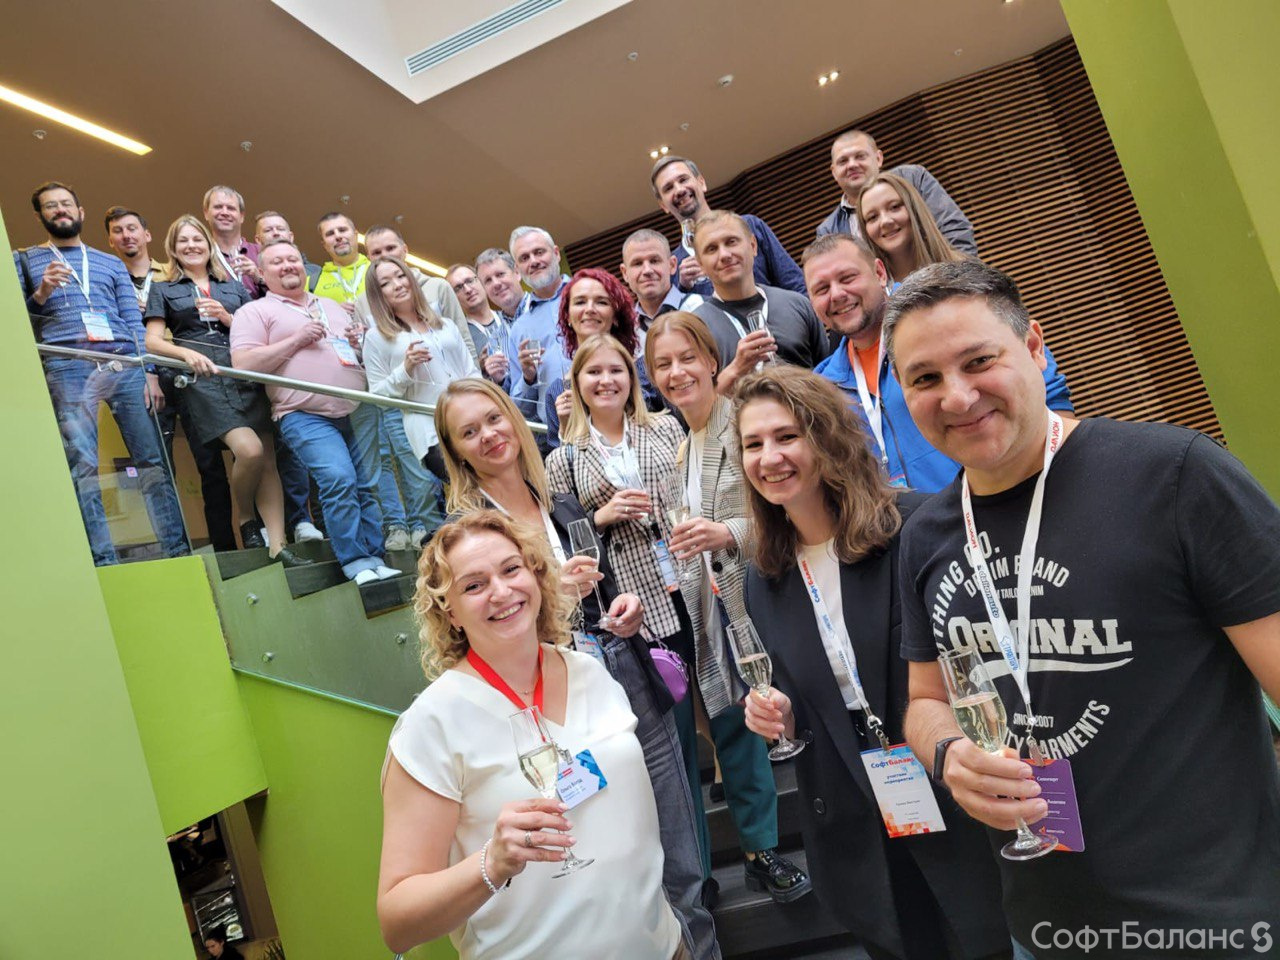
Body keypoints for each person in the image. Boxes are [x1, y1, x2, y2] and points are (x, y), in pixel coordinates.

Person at [888, 261, 1280, 957]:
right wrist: (949, 754)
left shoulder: (1174, 475)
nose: (957, 396)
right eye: (924, 379)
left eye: (979, 361)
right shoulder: (926, 535)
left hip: (1220, 919)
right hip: (1046, 928)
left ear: (1035, 347)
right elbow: (924, 700)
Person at [434, 377, 719, 958]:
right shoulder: (467, 536)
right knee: (608, 855)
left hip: (624, 672)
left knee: (682, 855)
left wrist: (625, 609)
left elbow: (601, 591)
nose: (488, 435)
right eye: (469, 432)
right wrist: (550, 597)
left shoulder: (559, 503)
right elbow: (480, 635)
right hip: (552, 705)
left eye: (494, 419)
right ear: (456, 451)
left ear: (514, 419)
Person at [735, 366, 1009, 959]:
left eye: (786, 436)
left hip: (947, 779)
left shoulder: (915, 527)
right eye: (753, 444)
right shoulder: (764, 576)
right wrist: (779, 712)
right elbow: (804, 693)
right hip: (852, 813)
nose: (769, 457)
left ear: (826, 437)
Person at [378, 510, 694, 958]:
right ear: (449, 611)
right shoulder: (432, 724)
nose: (501, 591)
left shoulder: (592, 674)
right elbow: (397, 924)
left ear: (537, 575)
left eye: (511, 569)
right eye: (474, 585)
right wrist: (491, 862)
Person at [644, 314, 812, 905]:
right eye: (663, 364)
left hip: (767, 596)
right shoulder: (679, 450)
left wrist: (727, 533)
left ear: (712, 360)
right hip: (711, 611)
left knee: (799, 716)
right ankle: (762, 854)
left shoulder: (742, 424)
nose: (677, 372)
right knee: (735, 729)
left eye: (687, 357)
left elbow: (786, 510)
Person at [804, 233, 1072, 492]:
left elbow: (1049, 394)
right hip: (921, 522)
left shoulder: (952, 308)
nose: (836, 294)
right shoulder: (824, 388)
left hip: (1015, 496)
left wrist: (1061, 480)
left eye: (847, 278)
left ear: (879, 273)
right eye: (821, 289)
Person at [15, 180, 188, 565]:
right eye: (51, 206)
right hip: (67, 363)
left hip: (124, 364)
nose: (60, 210)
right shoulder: (24, 260)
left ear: (80, 212)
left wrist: (148, 371)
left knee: (152, 460)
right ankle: (103, 560)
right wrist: (41, 293)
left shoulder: (110, 263)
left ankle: (177, 552)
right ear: (40, 216)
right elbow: (14, 321)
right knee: (84, 465)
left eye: (66, 204)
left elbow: (132, 319)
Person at [229, 240, 398, 584]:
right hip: (303, 413)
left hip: (358, 409)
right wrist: (296, 339)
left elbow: (357, 357)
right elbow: (243, 364)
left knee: (367, 487)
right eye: (277, 261)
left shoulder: (332, 306)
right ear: (261, 272)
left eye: (293, 258)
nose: (287, 265)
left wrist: (360, 344)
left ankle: (375, 558)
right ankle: (355, 561)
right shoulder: (254, 311)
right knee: (338, 479)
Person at [145, 215, 309, 566]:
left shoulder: (232, 286)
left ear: (209, 245)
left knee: (268, 461)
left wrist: (227, 318)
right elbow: (152, 342)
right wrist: (184, 353)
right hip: (203, 381)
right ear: (173, 248)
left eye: (197, 240)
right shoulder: (163, 289)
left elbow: (254, 332)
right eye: (183, 241)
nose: (191, 246)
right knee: (248, 451)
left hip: (243, 374)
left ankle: (278, 545)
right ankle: (246, 516)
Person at [106, 205, 237, 552]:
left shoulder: (172, 275)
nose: (127, 236)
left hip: (191, 376)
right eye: (118, 231)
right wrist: (148, 372)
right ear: (110, 240)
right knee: (158, 466)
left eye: (132, 228)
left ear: (148, 235)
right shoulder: (109, 276)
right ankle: (176, 548)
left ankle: (225, 547)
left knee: (210, 463)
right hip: (145, 376)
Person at [312, 213, 425, 551]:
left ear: (354, 234)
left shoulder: (378, 271)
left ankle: (420, 522)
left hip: (398, 377)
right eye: (330, 233)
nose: (337, 236)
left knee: (407, 450)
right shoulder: (316, 281)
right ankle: (395, 524)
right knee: (377, 457)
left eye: (343, 230)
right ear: (323, 242)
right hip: (356, 379)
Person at [363, 254, 478, 481]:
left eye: (400, 276)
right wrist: (405, 369)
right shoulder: (376, 337)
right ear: (377, 294)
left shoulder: (445, 324)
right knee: (471, 487)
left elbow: (471, 371)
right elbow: (378, 396)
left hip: (472, 419)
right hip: (432, 432)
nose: (397, 285)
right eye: (385, 283)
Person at [690, 211, 830, 395]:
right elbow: (696, 405)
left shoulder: (798, 304)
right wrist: (735, 370)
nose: (724, 254)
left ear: (753, 246)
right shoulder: (695, 329)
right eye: (711, 249)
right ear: (700, 264)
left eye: (731, 242)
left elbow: (831, 379)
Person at [650, 156, 806, 297]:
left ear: (701, 183)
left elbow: (796, 285)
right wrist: (684, 288)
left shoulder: (750, 226)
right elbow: (675, 318)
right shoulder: (673, 267)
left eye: (683, 180)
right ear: (663, 205)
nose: (679, 190)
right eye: (668, 188)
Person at [541, 268, 662, 447]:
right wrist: (566, 429)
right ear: (567, 316)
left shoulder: (646, 368)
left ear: (615, 316)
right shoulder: (557, 392)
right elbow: (558, 459)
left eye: (601, 302)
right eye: (580, 302)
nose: (590, 309)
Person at [816, 129, 976, 254]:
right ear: (834, 172)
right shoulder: (828, 230)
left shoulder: (913, 179)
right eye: (843, 161)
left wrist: (958, 282)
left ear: (878, 158)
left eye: (860, 156)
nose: (852, 165)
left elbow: (955, 231)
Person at [361, 225, 475, 361]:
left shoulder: (438, 287)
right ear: (369, 258)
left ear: (405, 250)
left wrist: (475, 374)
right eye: (376, 252)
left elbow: (464, 340)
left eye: (390, 248)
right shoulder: (362, 303)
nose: (385, 256)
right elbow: (367, 359)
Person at [507, 226, 571, 425]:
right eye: (524, 258)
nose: (533, 261)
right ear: (517, 270)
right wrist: (528, 377)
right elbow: (522, 409)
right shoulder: (519, 329)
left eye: (539, 252)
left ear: (556, 254)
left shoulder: (591, 295)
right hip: (559, 432)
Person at [857, 173, 967, 286]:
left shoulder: (964, 271)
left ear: (914, 209)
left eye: (894, 207)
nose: (885, 221)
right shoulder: (871, 290)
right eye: (873, 217)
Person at [446, 262, 515, 389]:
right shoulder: (458, 337)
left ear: (482, 282)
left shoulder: (512, 317)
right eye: (458, 288)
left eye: (470, 281)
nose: (468, 290)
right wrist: (479, 367)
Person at [620, 229, 702, 332]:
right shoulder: (625, 332)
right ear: (625, 273)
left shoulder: (703, 307)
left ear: (672, 265)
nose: (647, 270)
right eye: (638, 263)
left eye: (654, 261)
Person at [202, 185, 262, 298]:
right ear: (206, 213)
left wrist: (259, 278)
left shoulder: (261, 252)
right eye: (218, 207)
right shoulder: (201, 256)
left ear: (242, 216)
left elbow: (284, 294)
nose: (224, 212)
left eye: (231, 208)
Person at [253, 210, 322, 291]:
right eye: (268, 230)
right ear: (258, 240)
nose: (276, 233)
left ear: (291, 236)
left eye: (280, 229)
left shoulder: (316, 271)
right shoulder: (252, 277)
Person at [474, 247, 527, 326]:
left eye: (500, 274)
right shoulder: (498, 334)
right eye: (488, 280)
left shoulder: (546, 308)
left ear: (517, 272)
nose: (496, 283)